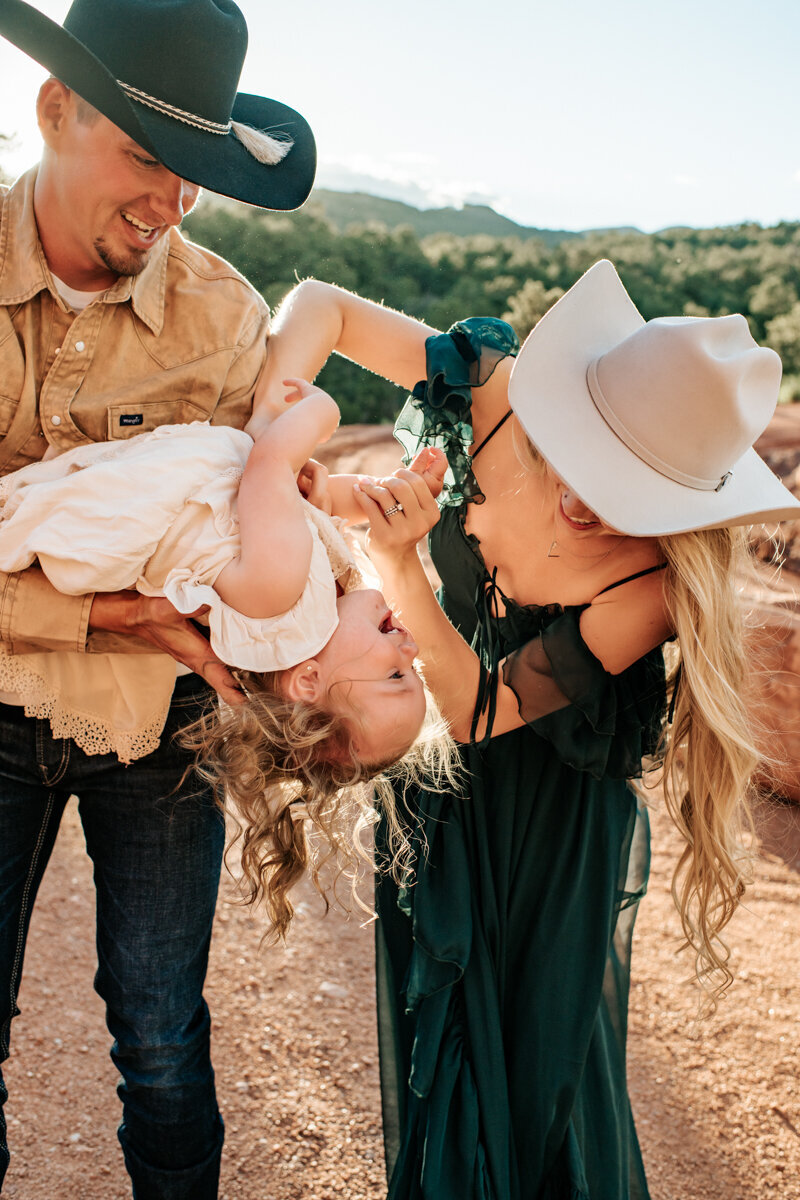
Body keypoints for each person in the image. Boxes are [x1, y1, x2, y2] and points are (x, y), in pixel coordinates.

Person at [253, 259, 800, 1199]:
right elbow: (323, 309)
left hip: (556, 834)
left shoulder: (653, 584)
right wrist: (261, 441)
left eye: (631, 497)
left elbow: (479, 708)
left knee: (542, 1076)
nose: (590, 508)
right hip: (435, 799)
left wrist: (398, 561)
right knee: (445, 1051)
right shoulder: (489, 389)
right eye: (587, 465)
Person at [0, 0, 316, 1193]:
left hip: (158, 730)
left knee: (165, 1046)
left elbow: (245, 529)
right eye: (145, 154)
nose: (172, 200)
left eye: (193, 172)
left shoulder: (229, 318)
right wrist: (107, 613)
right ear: (50, 107)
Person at [0, 380, 451, 931]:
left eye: (395, 672)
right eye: (415, 670)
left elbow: (267, 466)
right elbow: (318, 506)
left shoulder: (280, 594)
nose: (410, 645)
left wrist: (322, 410)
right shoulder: (295, 617)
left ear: (308, 681)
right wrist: (387, 493)